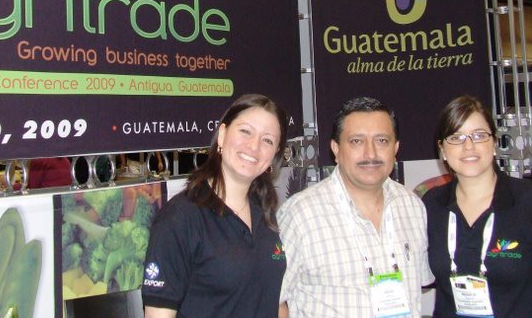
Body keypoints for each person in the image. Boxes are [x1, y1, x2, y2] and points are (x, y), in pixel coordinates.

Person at [278, 96, 433, 318]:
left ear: (396, 148)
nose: (371, 154)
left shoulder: (413, 207)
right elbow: (273, 299)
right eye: (357, 141)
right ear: (336, 149)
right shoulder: (300, 215)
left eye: (382, 141)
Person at [141, 94, 289, 318]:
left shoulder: (265, 214)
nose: (254, 146)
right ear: (222, 135)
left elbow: (275, 302)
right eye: (245, 131)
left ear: (275, 154)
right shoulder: (181, 218)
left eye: (267, 140)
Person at [423, 95, 532, 317]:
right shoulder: (431, 205)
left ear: (494, 143)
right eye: (456, 137)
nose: (469, 146)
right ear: (442, 149)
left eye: (479, 135)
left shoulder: (526, 200)